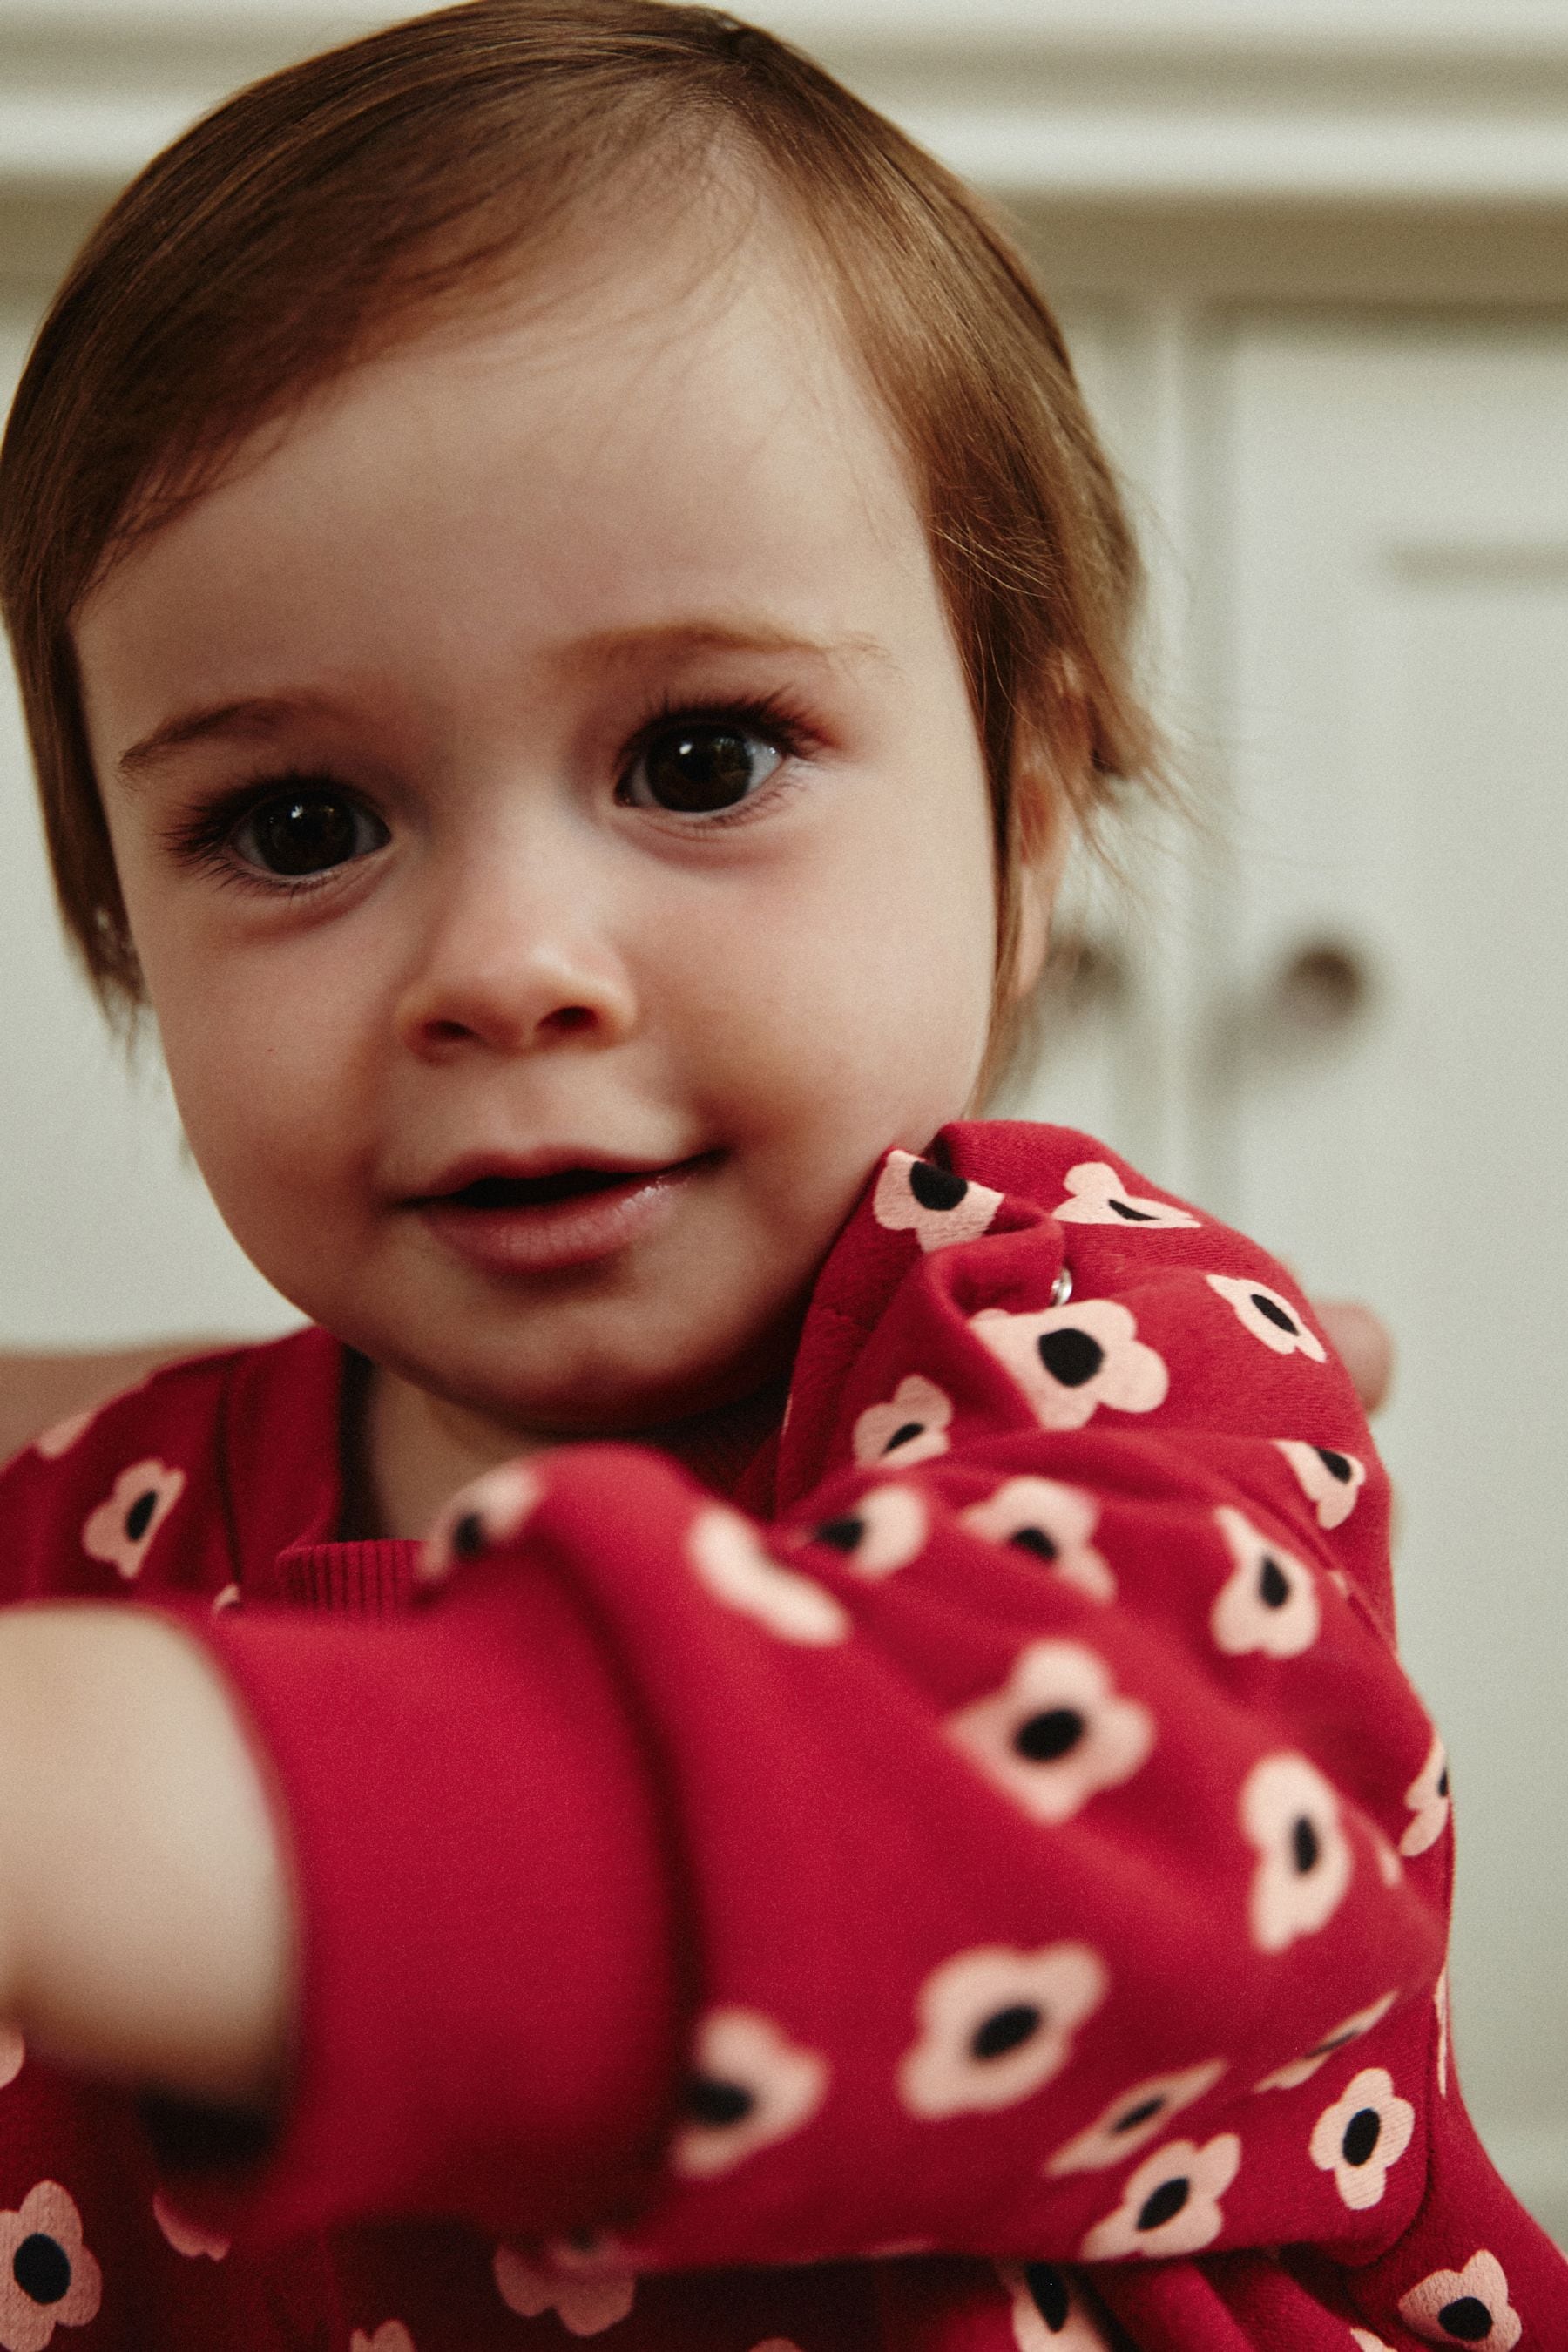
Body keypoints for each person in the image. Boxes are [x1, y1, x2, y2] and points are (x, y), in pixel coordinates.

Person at [0, 3, 1557, 2345]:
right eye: (298, 823)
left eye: (701, 754)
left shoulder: (1122, 1376)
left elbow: (1040, 1841)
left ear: (1024, 835)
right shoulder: (101, 1533)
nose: (511, 965)